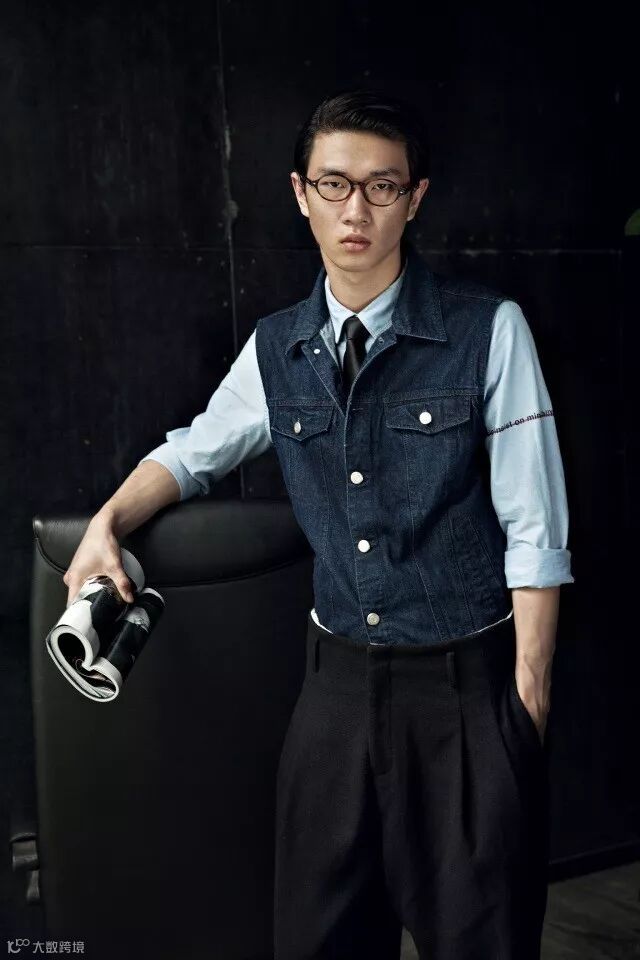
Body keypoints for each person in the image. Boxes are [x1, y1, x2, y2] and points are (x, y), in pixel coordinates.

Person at [64, 88, 574, 959]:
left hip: (464, 695)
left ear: (414, 198)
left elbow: (537, 530)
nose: (356, 210)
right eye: (334, 184)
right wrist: (107, 522)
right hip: (332, 697)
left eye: (382, 186)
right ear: (301, 194)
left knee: (481, 942)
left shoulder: (491, 330)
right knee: (317, 943)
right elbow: (195, 452)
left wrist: (524, 710)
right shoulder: (277, 347)